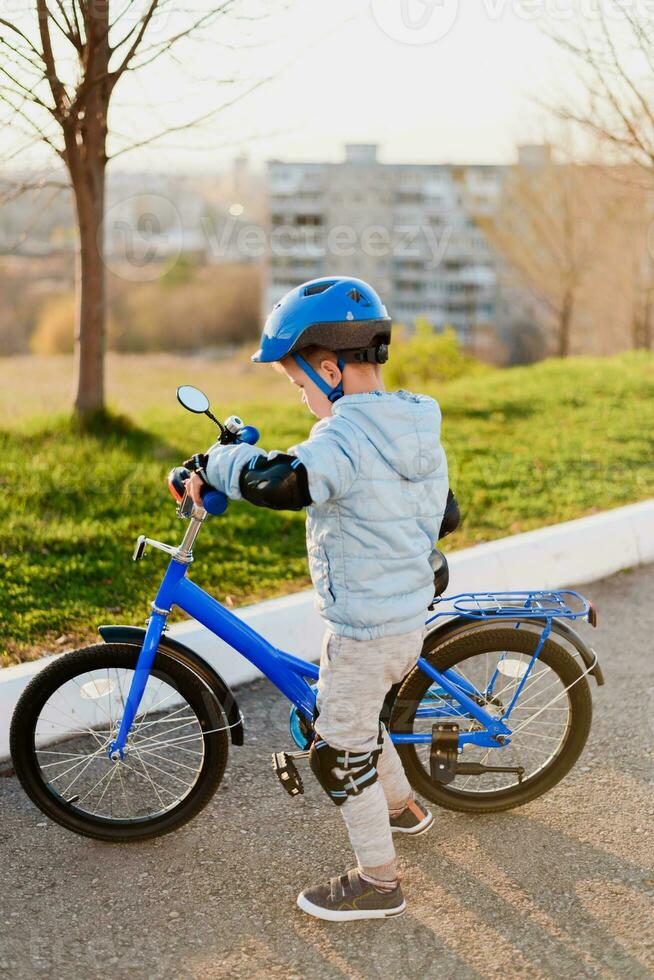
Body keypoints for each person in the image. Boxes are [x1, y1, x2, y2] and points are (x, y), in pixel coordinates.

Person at [184, 276, 458, 922]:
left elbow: (282, 483)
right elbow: (445, 512)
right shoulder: (414, 421)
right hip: (402, 614)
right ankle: (405, 809)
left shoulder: (341, 437)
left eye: (299, 384)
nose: (302, 396)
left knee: (337, 752)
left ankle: (380, 883)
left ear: (330, 368)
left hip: (366, 629)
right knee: (360, 722)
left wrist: (215, 462)